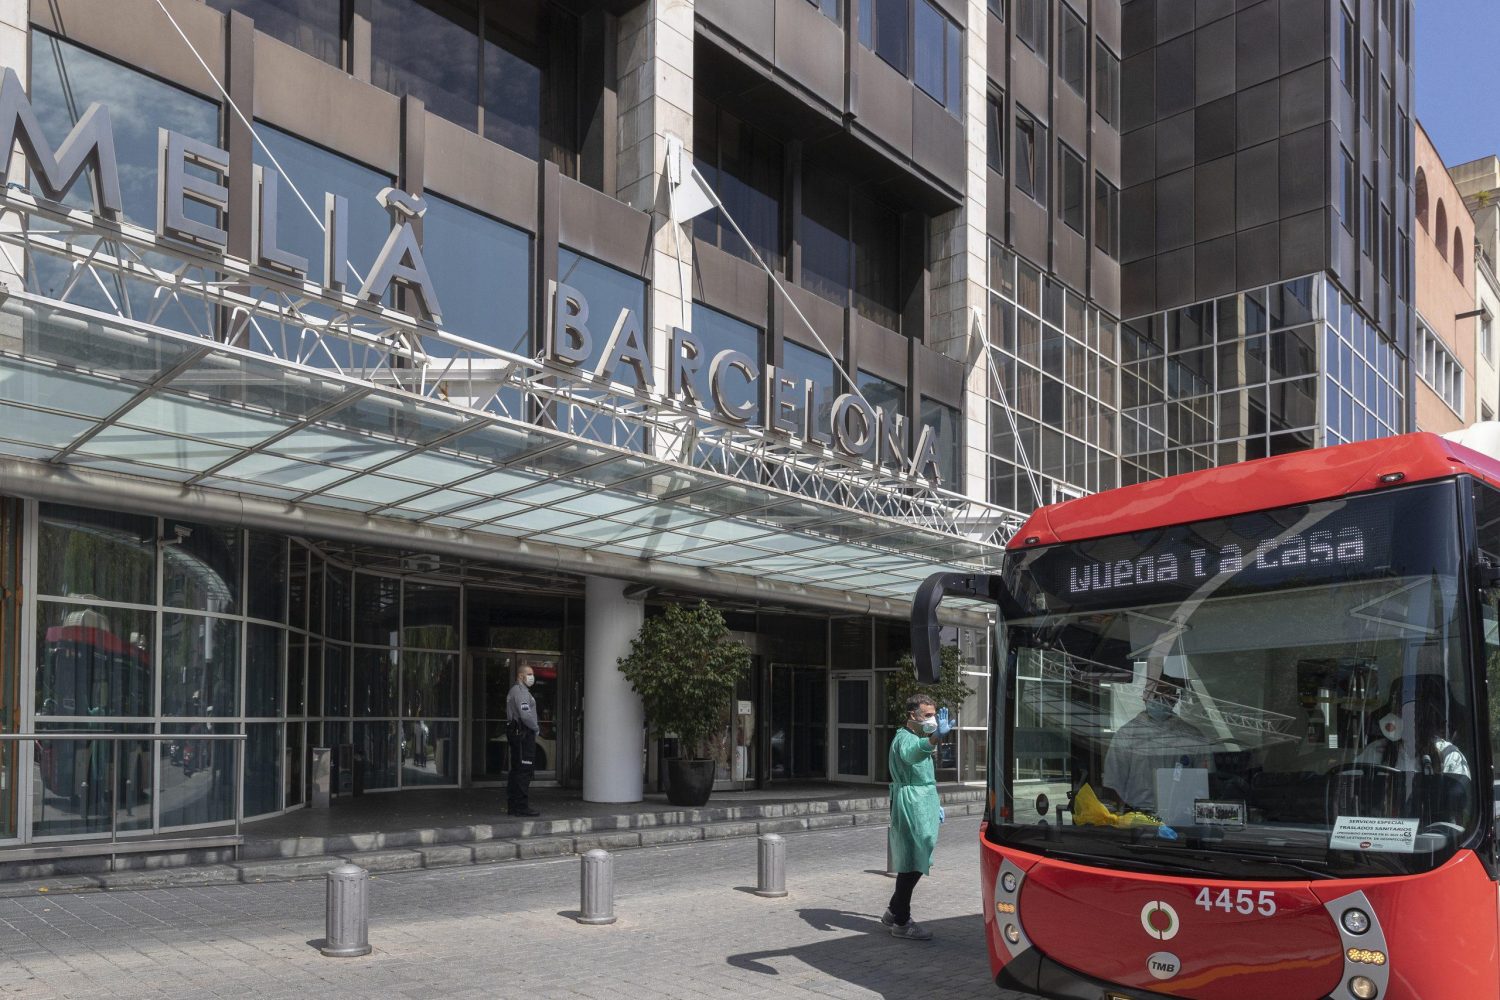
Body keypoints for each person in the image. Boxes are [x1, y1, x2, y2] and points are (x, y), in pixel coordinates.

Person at [880, 694, 951, 942]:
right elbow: (913, 755)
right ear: (913, 715)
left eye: (933, 714)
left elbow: (924, 771)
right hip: (912, 801)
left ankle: (893, 911)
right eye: (927, 715)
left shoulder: (916, 737)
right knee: (913, 859)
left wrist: (935, 803)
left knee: (919, 854)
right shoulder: (905, 738)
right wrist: (934, 737)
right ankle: (901, 920)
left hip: (922, 799)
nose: (932, 719)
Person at [1102, 663, 1210, 815]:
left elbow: (1203, 786)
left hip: (1183, 818)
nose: (1160, 700)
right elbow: (1112, 785)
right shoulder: (1127, 735)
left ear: (1176, 698)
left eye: (1166, 696)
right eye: (1155, 695)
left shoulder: (1192, 737)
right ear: (1145, 696)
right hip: (1139, 818)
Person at [1356, 673, 1470, 777]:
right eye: (1398, 709)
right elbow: (1348, 783)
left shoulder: (1449, 756)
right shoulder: (1375, 752)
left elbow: (1458, 797)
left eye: (1414, 711)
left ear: (1426, 717)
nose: (1405, 716)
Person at [506, 662, 541, 817]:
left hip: (519, 732)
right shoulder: (520, 691)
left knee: (518, 770)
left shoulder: (520, 690)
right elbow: (525, 715)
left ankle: (514, 806)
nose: (532, 677)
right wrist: (535, 727)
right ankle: (520, 806)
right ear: (521, 676)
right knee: (523, 771)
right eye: (529, 674)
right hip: (523, 733)